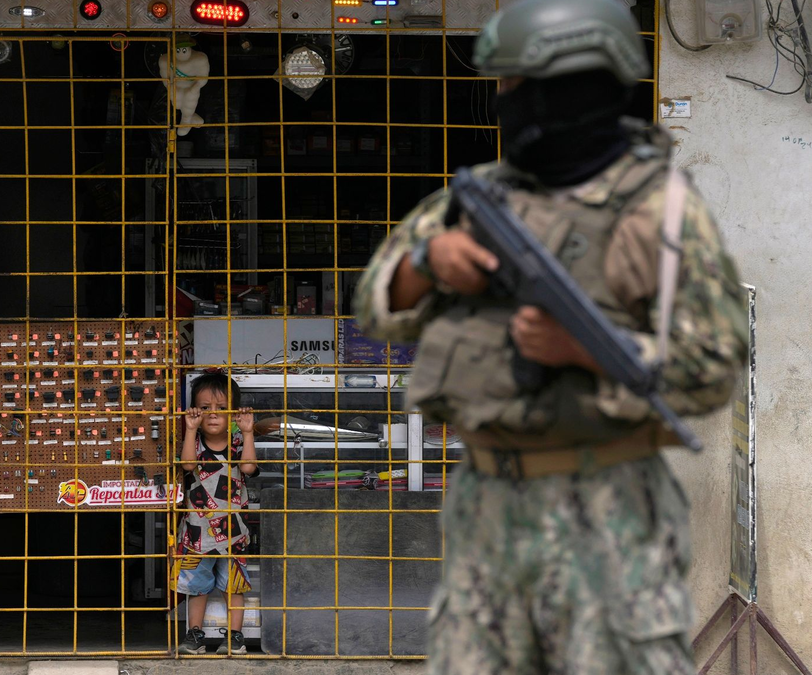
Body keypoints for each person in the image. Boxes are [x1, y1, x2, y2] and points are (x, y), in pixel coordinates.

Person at [353, 0, 749, 673]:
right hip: (486, 508)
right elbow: (373, 305)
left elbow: (715, 365)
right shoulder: (476, 197)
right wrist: (429, 263)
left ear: (577, 89)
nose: (504, 104)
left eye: (517, 88)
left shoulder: (657, 211)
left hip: (609, 512)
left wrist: (582, 349)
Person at [172, 371, 258, 655]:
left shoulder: (237, 445)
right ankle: (194, 636)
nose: (212, 414)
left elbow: (247, 468)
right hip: (197, 534)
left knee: (233, 587)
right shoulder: (194, 445)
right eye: (204, 408)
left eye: (221, 409)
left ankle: (235, 637)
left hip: (233, 533)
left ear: (233, 414)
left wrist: (247, 432)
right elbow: (186, 466)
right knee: (196, 587)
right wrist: (191, 428)